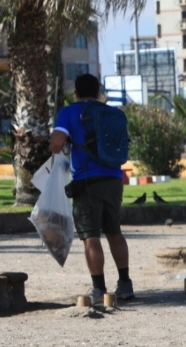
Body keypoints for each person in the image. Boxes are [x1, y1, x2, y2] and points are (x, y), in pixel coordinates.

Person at [49, 73, 134, 307]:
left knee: (91, 236)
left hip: (88, 181)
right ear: (98, 92)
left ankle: (99, 289)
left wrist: (55, 148)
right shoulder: (111, 113)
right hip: (114, 177)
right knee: (114, 231)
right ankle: (125, 284)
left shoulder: (69, 112)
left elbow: (57, 142)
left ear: (75, 92)